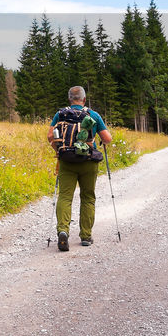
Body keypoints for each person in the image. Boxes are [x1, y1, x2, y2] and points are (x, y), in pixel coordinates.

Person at [46, 86, 112, 251]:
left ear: (70, 99)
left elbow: (49, 136)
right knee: (88, 197)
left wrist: (58, 150)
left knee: (65, 197)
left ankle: (63, 231)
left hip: (67, 161)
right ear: (84, 99)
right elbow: (107, 139)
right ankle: (86, 236)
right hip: (88, 161)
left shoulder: (60, 114)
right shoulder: (92, 114)